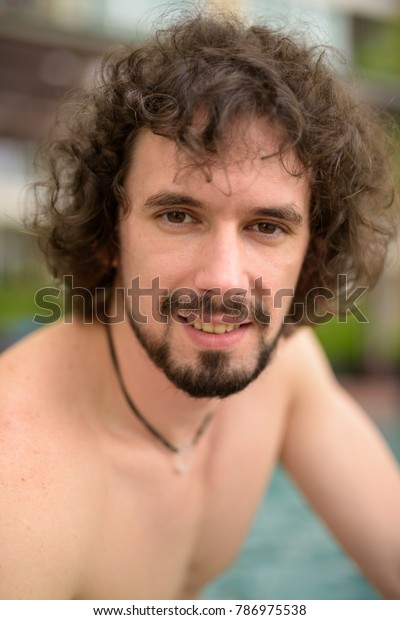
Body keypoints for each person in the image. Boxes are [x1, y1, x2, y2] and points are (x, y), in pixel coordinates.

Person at [1, 9, 399, 601]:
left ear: (310, 256)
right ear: (111, 235)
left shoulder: (285, 372)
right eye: (179, 215)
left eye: (266, 226)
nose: (224, 281)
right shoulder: (21, 490)